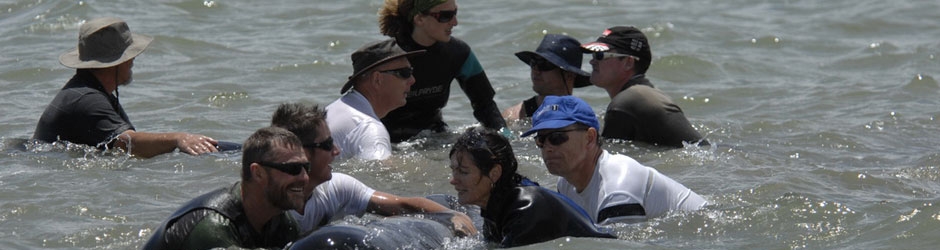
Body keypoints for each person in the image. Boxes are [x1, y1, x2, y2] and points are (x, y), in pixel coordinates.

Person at [270, 103, 477, 236]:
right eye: (326, 145)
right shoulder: (269, 204)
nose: (336, 150)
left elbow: (401, 204)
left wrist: (451, 215)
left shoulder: (336, 187)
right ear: (300, 152)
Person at [33, 17, 223, 158]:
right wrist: (178, 139)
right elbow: (129, 144)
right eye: (129, 56)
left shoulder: (88, 91)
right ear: (114, 63)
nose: (133, 60)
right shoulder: (87, 100)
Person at [521, 95, 707, 225]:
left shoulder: (616, 190)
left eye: (556, 137)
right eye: (541, 139)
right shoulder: (566, 184)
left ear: (590, 138)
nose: (548, 147)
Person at [143, 126, 308, 249]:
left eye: (306, 168)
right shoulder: (211, 227)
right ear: (258, 173)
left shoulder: (281, 221)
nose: (304, 178)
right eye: (292, 169)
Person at [449, 127, 615, 247]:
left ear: (494, 173)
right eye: (454, 171)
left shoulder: (526, 209)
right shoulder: (496, 204)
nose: (453, 180)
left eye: (463, 172)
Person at [378, 0, 509, 142]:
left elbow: (485, 105)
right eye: (445, 16)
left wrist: (507, 138)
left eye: (455, 13)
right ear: (419, 19)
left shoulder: (459, 53)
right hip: (389, 142)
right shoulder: (385, 58)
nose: (455, 22)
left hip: (437, 137)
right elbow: (359, 109)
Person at [580, 26, 707, 147]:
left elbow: (603, 160)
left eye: (600, 55)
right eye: (593, 55)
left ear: (628, 63)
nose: (592, 61)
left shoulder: (626, 103)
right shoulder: (643, 93)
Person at [327, 39, 425, 160]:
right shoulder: (369, 128)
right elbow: (380, 174)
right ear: (377, 79)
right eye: (405, 73)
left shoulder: (334, 109)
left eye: (411, 71)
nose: (412, 80)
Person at [502, 34, 592, 122]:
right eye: (533, 63)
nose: (536, 70)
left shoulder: (583, 118)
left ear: (569, 75)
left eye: (544, 64)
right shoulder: (513, 117)